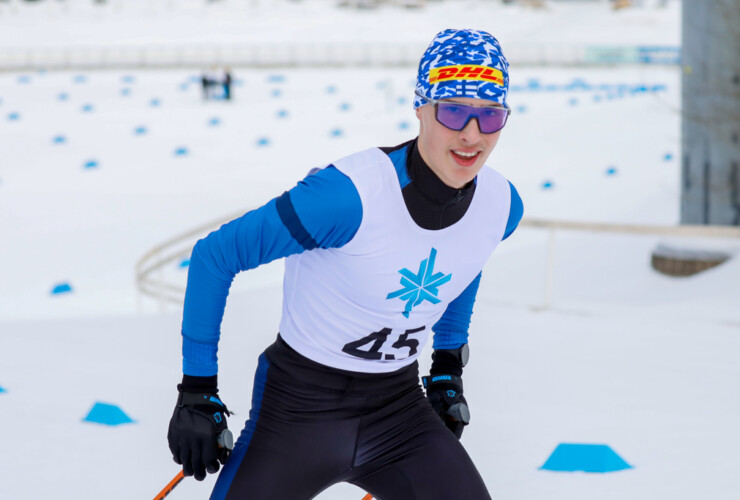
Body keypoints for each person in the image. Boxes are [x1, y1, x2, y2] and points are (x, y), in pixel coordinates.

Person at [167, 28, 523, 500]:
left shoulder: (500, 206)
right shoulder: (346, 197)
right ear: (421, 108)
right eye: (454, 110)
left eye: (489, 115)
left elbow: (466, 263)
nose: (471, 134)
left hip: (400, 416)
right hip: (297, 413)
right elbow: (216, 256)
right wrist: (197, 390)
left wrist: (447, 368)